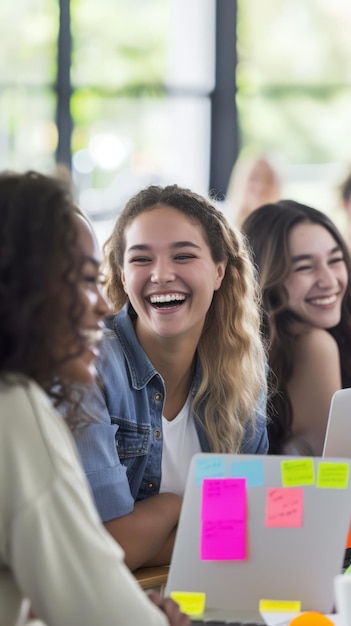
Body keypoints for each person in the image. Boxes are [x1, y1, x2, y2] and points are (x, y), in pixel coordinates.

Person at [0, 170, 189, 626]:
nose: (102, 305)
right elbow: (99, 610)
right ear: (22, 288)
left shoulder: (244, 374)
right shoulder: (15, 407)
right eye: (85, 280)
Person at [72, 183, 268, 572]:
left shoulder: (241, 369)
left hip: (209, 598)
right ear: (123, 277)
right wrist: (178, 505)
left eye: (183, 255)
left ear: (218, 271)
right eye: (141, 259)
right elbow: (106, 549)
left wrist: (157, 529)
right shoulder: (90, 367)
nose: (162, 275)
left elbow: (249, 527)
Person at [242, 200, 351, 456]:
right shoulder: (314, 343)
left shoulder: (250, 344)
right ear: (265, 276)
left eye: (335, 260)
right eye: (304, 267)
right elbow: (332, 473)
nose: (329, 280)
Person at [225, 155, 282, 227]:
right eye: (254, 178)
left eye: (269, 180)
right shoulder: (223, 225)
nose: (261, 187)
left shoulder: (283, 228)